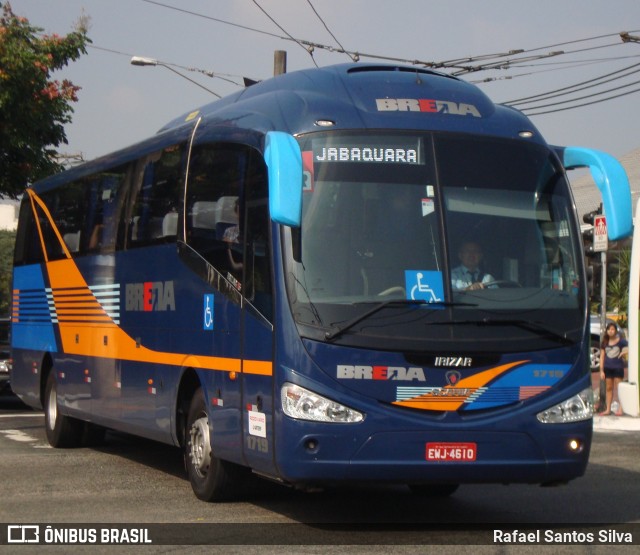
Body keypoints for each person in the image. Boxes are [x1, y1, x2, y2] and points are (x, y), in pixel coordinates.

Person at [599, 322, 628, 416]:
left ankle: (621, 408)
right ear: (606, 331)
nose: (611, 331)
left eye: (613, 329)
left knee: (619, 388)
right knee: (609, 388)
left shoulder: (621, 341)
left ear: (615, 331)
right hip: (608, 368)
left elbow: (632, 346)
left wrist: (623, 353)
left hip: (618, 368)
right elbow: (602, 357)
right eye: (609, 329)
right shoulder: (604, 342)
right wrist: (601, 370)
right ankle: (608, 409)